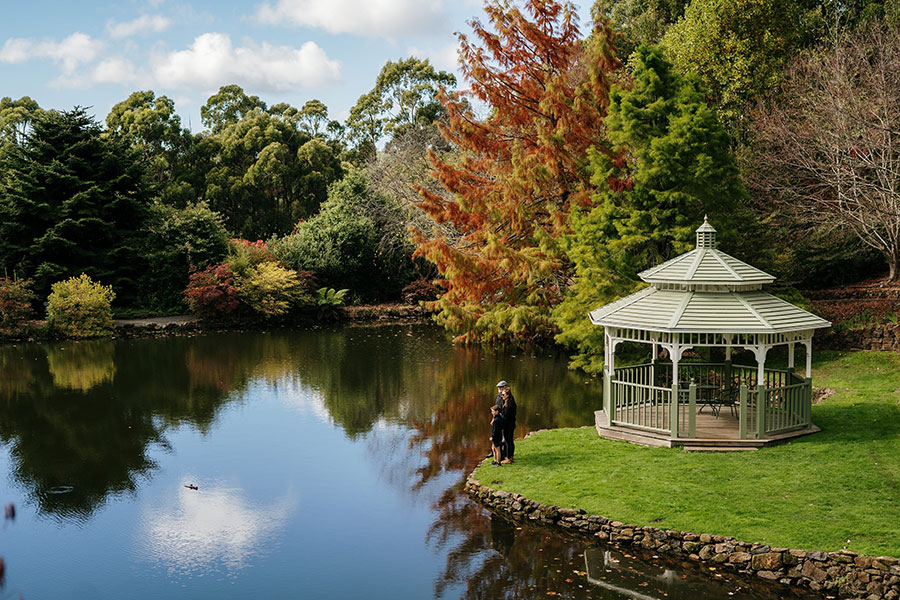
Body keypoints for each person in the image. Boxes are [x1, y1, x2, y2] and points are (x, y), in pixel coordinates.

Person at [495, 380, 517, 464]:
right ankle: (507, 456)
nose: (502, 396)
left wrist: (501, 422)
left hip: (509, 425)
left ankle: (509, 458)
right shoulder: (506, 401)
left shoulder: (510, 404)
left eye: (503, 395)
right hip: (506, 424)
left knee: (509, 441)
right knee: (507, 441)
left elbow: (507, 415)